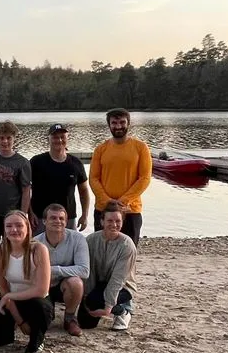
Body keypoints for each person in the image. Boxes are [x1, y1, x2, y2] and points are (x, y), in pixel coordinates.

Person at [0, 211, 53, 353]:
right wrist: (19, 321)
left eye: (19, 225)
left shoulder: (39, 249)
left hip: (36, 299)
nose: (14, 230)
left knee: (40, 308)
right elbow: (2, 287)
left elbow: (41, 290)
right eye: (9, 226)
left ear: (27, 228)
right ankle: (12, 329)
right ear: (4, 230)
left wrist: (9, 296)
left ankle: (37, 338)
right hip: (12, 298)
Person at [0, 121, 32, 305]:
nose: (5, 141)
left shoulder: (22, 163)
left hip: (11, 216)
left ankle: (11, 288)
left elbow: (26, 190)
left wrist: (23, 215)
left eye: (8, 138)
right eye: (2, 138)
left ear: (14, 139)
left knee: (12, 251)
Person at [89, 108, 152, 246]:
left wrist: (123, 201)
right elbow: (93, 179)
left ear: (128, 124)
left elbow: (145, 178)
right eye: (114, 123)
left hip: (131, 210)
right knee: (101, 251)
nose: (118, 126)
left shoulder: (140, 147)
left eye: (122, 122)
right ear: (109, 125)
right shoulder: (100, 149)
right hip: (103, 209)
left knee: (128, 251)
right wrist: (107, 201)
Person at [78, 201, 137, 332]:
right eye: (110, 220)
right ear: (102, 221)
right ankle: (97, 302)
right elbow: (89, 270)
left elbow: (118, 278)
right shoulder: (91, 240)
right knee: (85, 323)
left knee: (98, 301)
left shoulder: (127, 245)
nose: (114, 225)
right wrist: (86, 295)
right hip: (99, 283)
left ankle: (122, 312)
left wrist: (108, 307)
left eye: (118, 221)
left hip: (123, 287)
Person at [33, 203, 89, 337]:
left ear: (66, 221)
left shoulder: (78, 239)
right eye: (53, 218)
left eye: (61, 218)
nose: (58, 221)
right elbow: (32, 272)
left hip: (66, 285)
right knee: (42, 320)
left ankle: (70, 318)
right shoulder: (35, 243)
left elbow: (84, 270)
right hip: (43, 286)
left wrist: (53, 270)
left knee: (76, 282)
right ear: (44, 221)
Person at [29, 124, 90, 236]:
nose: (59, 140)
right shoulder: (36, 162)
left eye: (62, 137)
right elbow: (26, 189)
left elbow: (84, 191)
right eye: (55, 137)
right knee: (39, 250)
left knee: (68, 250)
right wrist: (30, 212)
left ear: (67, 138)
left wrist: (85, 215)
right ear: (49, 139)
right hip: (40, 218)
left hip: (68, 217)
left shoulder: (76, 163)